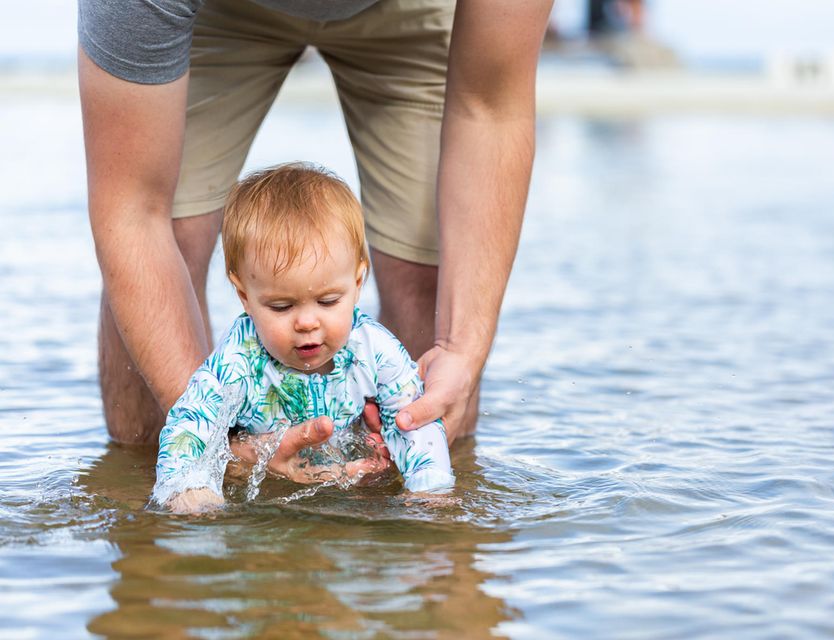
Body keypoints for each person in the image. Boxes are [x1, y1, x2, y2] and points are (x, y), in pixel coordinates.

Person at [78, 0, 552, 476]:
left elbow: (491, 111)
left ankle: (404, 528)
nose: (306, 323)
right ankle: (152, 523)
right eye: (283, 308)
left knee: (429, 282)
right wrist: (216, 446)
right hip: (216, 11)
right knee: (168, 254)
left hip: (407, 9)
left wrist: (460, 348)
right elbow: (133, 210)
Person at [155, 163, 455, 513]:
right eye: (281, 306)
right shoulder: (240, 356)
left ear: (357, 284)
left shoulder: (374, 350)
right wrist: (190, 491)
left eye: (328, 301)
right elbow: (191, 421)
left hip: (351, 488)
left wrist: (428, 491)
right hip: (270, 492)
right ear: (244, 296)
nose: (308, 322)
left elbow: (415, 424)